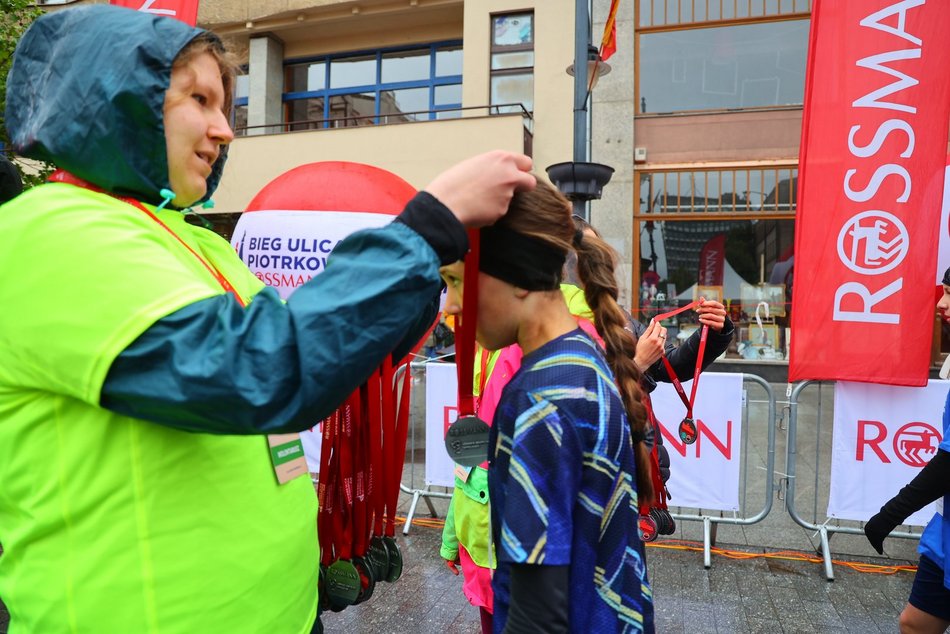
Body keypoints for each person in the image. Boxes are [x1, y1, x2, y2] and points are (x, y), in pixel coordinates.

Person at [0, 5, 534, 633]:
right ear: (114, 98)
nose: (225, 130)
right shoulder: (51, 232)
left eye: (226, 106)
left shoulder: (199, 242)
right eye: (199, 99)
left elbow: (319, 350)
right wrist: (427, 225)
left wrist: (422, 277)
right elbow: (264, 372)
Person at [442, 179, 655, 632]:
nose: (450, 308)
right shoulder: (580, 359)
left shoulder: (540, 401)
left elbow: (535, 610)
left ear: (520, 277)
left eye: (457, 282)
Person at [864, 267, 950, 634]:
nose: (941, 303)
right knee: (915, 623)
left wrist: (889, 514)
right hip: (945, 533)